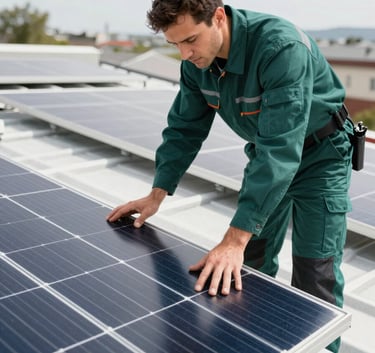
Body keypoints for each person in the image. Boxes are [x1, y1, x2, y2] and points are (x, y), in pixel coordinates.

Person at [107, 1, 353, 351]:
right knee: (249, 264)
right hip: (266, 155)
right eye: (175, 44)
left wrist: (234, 239)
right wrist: (157, 193)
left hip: (321, 156)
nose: (185, 53)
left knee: (315, 274)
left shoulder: (280, 47)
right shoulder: (196, 62)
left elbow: (281, 148)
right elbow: (184, 128)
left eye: (190, 39)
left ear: (218, 17)